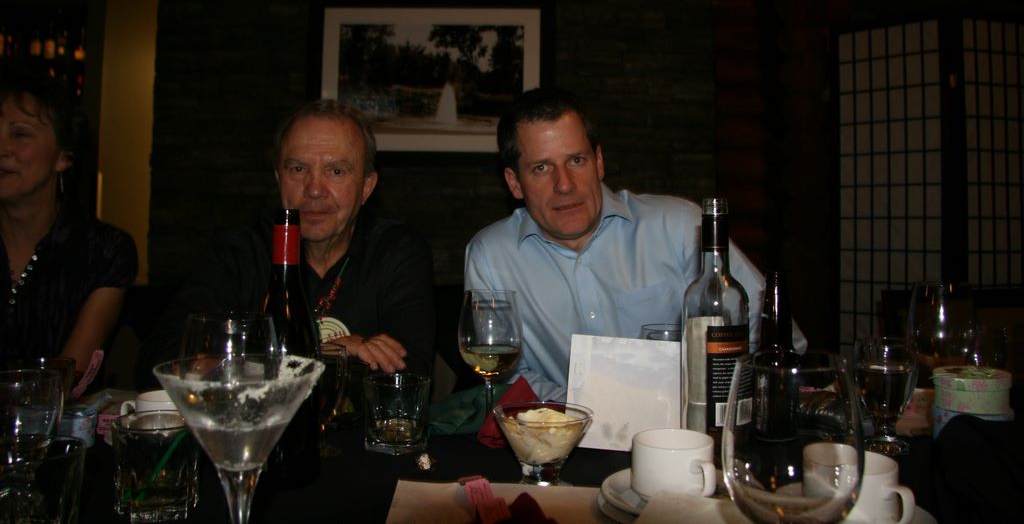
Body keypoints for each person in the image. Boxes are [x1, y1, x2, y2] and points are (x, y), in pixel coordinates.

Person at [464, 87, 805, 401]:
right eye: (541, 167)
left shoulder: (680, 227)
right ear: (515, 183)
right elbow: (506, 378)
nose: (564, 184)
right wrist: (584, 408)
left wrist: (716, 396)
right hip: (567, 436)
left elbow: (773, 333)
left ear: (599, 162)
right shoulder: (491, 256)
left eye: (576, 160)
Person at [139, 99, 435, 384]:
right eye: (298, 169)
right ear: (279, 178)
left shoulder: (397, 250)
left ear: (366, 187)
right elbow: (160, 360)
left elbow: (410, 374)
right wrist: (333, 354)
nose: (314, 189)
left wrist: (249, 363)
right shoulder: (239, 252)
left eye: (336, 171)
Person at [0, 67, 138, 379]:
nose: (2, 147)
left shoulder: (103, 251)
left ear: (64, 156)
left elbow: (64, 378)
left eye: (19, 134)